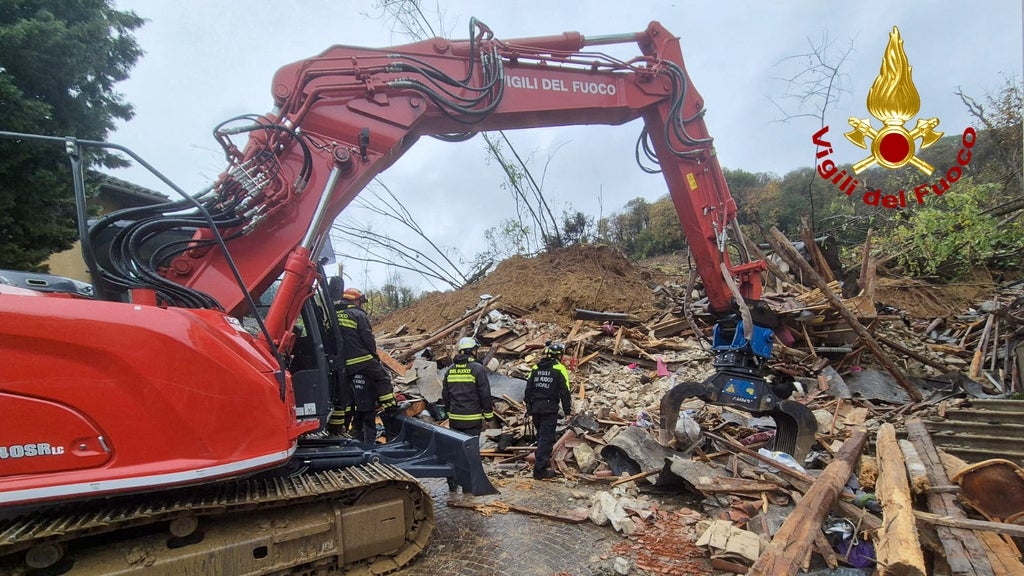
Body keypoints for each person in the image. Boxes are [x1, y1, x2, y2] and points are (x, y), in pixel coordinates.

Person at [333, 287, 397, 443]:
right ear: (355, 300)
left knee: (343, 395)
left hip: (341, 361)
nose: (361, 304)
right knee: (382, 377)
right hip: (360, 357)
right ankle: (390, 408)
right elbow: (367, 337)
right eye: (360, 301)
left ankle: (336, 428)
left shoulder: (332, 314)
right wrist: (374, 356)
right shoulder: (358, 314)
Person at [524, 341, 572, 480]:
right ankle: (540, 471)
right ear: (558, 355)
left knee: (541, 437)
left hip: (536, 408)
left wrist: (529, 409)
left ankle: (542, 465)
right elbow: (565, 392)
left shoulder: (535, 368)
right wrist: (567, 412)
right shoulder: (559, 369)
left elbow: (528, 390)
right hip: (549, 408)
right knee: (546, 439)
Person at [441, 337, 495, 437]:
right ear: (472, 351)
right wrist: (489, 417)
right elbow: (485, 394)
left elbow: (445, 394)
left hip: (455, 419)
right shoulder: (477, 369)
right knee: (471, 448)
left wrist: (449, 412)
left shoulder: (450, 370)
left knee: (458, 447)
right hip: (472, 419)